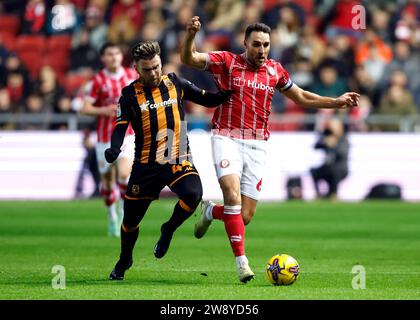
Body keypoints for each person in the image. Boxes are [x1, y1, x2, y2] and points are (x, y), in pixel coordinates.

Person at [181, 16, 360, 283]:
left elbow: (301, 96)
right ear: (245, 43)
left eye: (266, 45)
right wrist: (191, 34)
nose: (262, 50)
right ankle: (242, 263)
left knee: (244, 216)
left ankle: (210, 212)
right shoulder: (227, 62)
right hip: (225, 137)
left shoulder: (276, 71)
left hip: (257, 144)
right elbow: (190, 59)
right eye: (256, 44)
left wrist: (335, 102)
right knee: (231, 195)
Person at [106, 40, 232, 280]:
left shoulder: (175, 83)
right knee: (130, 221)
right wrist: (114, 148)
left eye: (156, 67)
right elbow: (120, 127)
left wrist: (228, 93)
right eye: (147, 69)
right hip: (146, 166)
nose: (153, 73)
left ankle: (168, 229)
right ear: (136, 68)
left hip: (178, 156)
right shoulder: (129, 95)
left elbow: (208, 99)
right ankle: (124, 259)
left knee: (194, 195)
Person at [81, 42, 138, 237]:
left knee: (123, 174)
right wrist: (104, 110)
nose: (114, 57)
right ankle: (111, 213)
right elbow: (85, 108)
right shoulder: (98, 81)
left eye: (116, 53)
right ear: (103, 58)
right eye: (109, 54)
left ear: (121, 56)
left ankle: (122, 212)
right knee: (107, 181)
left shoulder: (132, 76)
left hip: (128, 135)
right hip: (105, 137)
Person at [310, 118, 349, 200]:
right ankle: (318, 194)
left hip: (340, 168)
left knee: (334, 170)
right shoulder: (327, 137)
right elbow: (316, 146)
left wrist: (334, 145)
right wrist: (324, 142)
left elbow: (342, 154)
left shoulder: (344, 139)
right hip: (328, 167)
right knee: (314, 171)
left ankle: (334, 194)